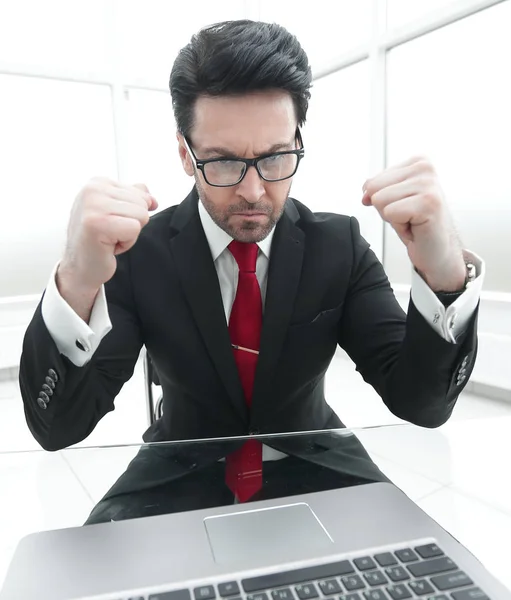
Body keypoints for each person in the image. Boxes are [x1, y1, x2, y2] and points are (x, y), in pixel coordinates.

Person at [19, 20, 483, 507]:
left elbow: (423, 404)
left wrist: (444, 273)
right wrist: (76, 279)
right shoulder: (139, 254)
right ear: (184, 153)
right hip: (178, 468)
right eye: (222, 162)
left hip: (316, 461)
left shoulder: (338, 244)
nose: (253, 191)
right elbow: (58, 428)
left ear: (298, 141)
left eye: (276, 157)